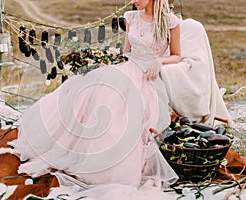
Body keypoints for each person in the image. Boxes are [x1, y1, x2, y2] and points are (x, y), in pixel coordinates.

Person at [11, 0, 182, 199]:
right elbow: (126, 52)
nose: (133, 1)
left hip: (147, 76)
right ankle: (75, 152)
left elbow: (177, 55)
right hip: (127, 68)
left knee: (121, 108)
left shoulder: (171, 22)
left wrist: (158, 61)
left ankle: (107, 167)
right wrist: (108, 59)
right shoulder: (131, 18)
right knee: (87, 90)